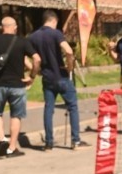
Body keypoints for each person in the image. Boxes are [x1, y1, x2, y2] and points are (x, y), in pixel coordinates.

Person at [0, 16, 41, 158]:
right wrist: (32, 76)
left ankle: (2, 138)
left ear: (0, 27)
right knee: (16, 115)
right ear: (15, 27)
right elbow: (37, 58)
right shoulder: (22, 42)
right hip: (18, 85)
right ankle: (11, 147)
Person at [28, 10, 87, 150]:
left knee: (49, 108)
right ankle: (75, 140)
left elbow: (27, 56)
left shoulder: (34, 36)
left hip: (47, 77)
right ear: (53, 20)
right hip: (61, 76)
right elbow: (69, 51)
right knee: (72, 107)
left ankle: (48, 142)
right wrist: (69, 66)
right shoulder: (56, 33)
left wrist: (35, 71)